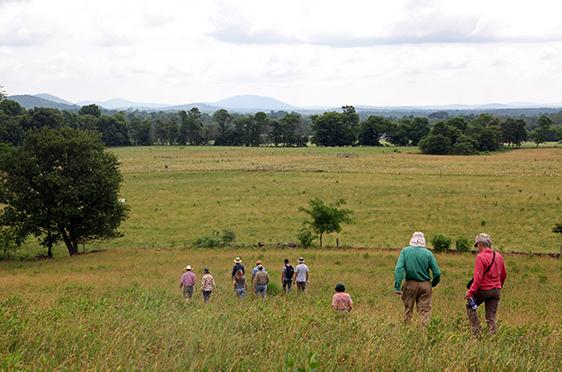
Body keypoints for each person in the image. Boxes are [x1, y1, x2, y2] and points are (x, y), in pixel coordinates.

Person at [394, 232, 441, 326]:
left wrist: (397, 286)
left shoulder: (405, 251)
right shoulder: (428, 253)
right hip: (425, 285)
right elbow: (437, 272)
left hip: (410, 284)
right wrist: (433, 283)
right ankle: (423, 332)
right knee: (425, 311)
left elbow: (399, 268)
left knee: (408, 309)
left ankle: (406, 330)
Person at [465, 233, 507, 336]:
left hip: (484, 290)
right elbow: (504, 274)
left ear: (480, 244)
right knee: (491, 317)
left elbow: (478, 278)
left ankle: (477, 333)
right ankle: (492, 336)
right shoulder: (498, 256)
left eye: (477, 246)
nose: (477, 248)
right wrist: (498, 286)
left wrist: (470, 292)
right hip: (496, 290)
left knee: (470, 307)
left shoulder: (481, 257)